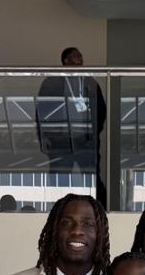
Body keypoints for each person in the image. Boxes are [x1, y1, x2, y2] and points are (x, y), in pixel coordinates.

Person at [35, 47, 107, 187]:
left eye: (81, 56)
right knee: (59, 178)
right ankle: (60, 206)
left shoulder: (90, 83)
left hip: (86, 142)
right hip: (60, 142)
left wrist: (93, 133)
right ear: (66, 61)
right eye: (76, 56)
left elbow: (101, 110)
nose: (81, 59)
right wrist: (44, 138)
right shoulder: (51, 83)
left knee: (91, 179)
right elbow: (41, 113)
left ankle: (95, 207)